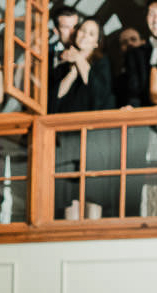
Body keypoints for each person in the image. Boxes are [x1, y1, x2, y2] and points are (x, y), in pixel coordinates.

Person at [49, 18, 116, 220]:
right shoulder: (62, 66)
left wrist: (80, 60)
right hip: (67, 140)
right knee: (69, 200)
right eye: (82, 30)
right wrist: (71, 71)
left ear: (97, 42)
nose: (85, 35)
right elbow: (53, 102)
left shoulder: (102, 64)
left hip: (93, 141)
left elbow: (99, 95)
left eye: (91, 33)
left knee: (92, 195)